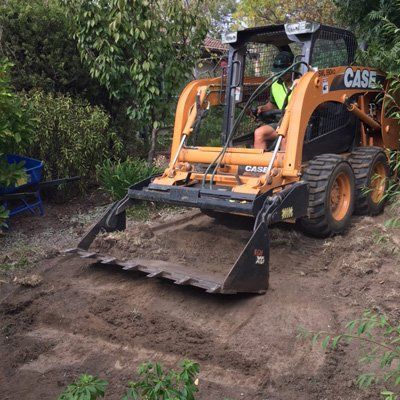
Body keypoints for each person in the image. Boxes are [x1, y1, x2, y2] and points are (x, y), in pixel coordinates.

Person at [253, 51, 295, 150]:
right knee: (259, 133)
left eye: (283, 70)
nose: (281, 74)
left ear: (293, 67)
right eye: (278, 71)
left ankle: (283, 164)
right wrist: (263, 108)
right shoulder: (276, 83)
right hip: (282, 121)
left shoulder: (302, 81)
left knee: (285, 137)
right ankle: (259, 164)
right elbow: (273, 104)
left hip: (299, 123)